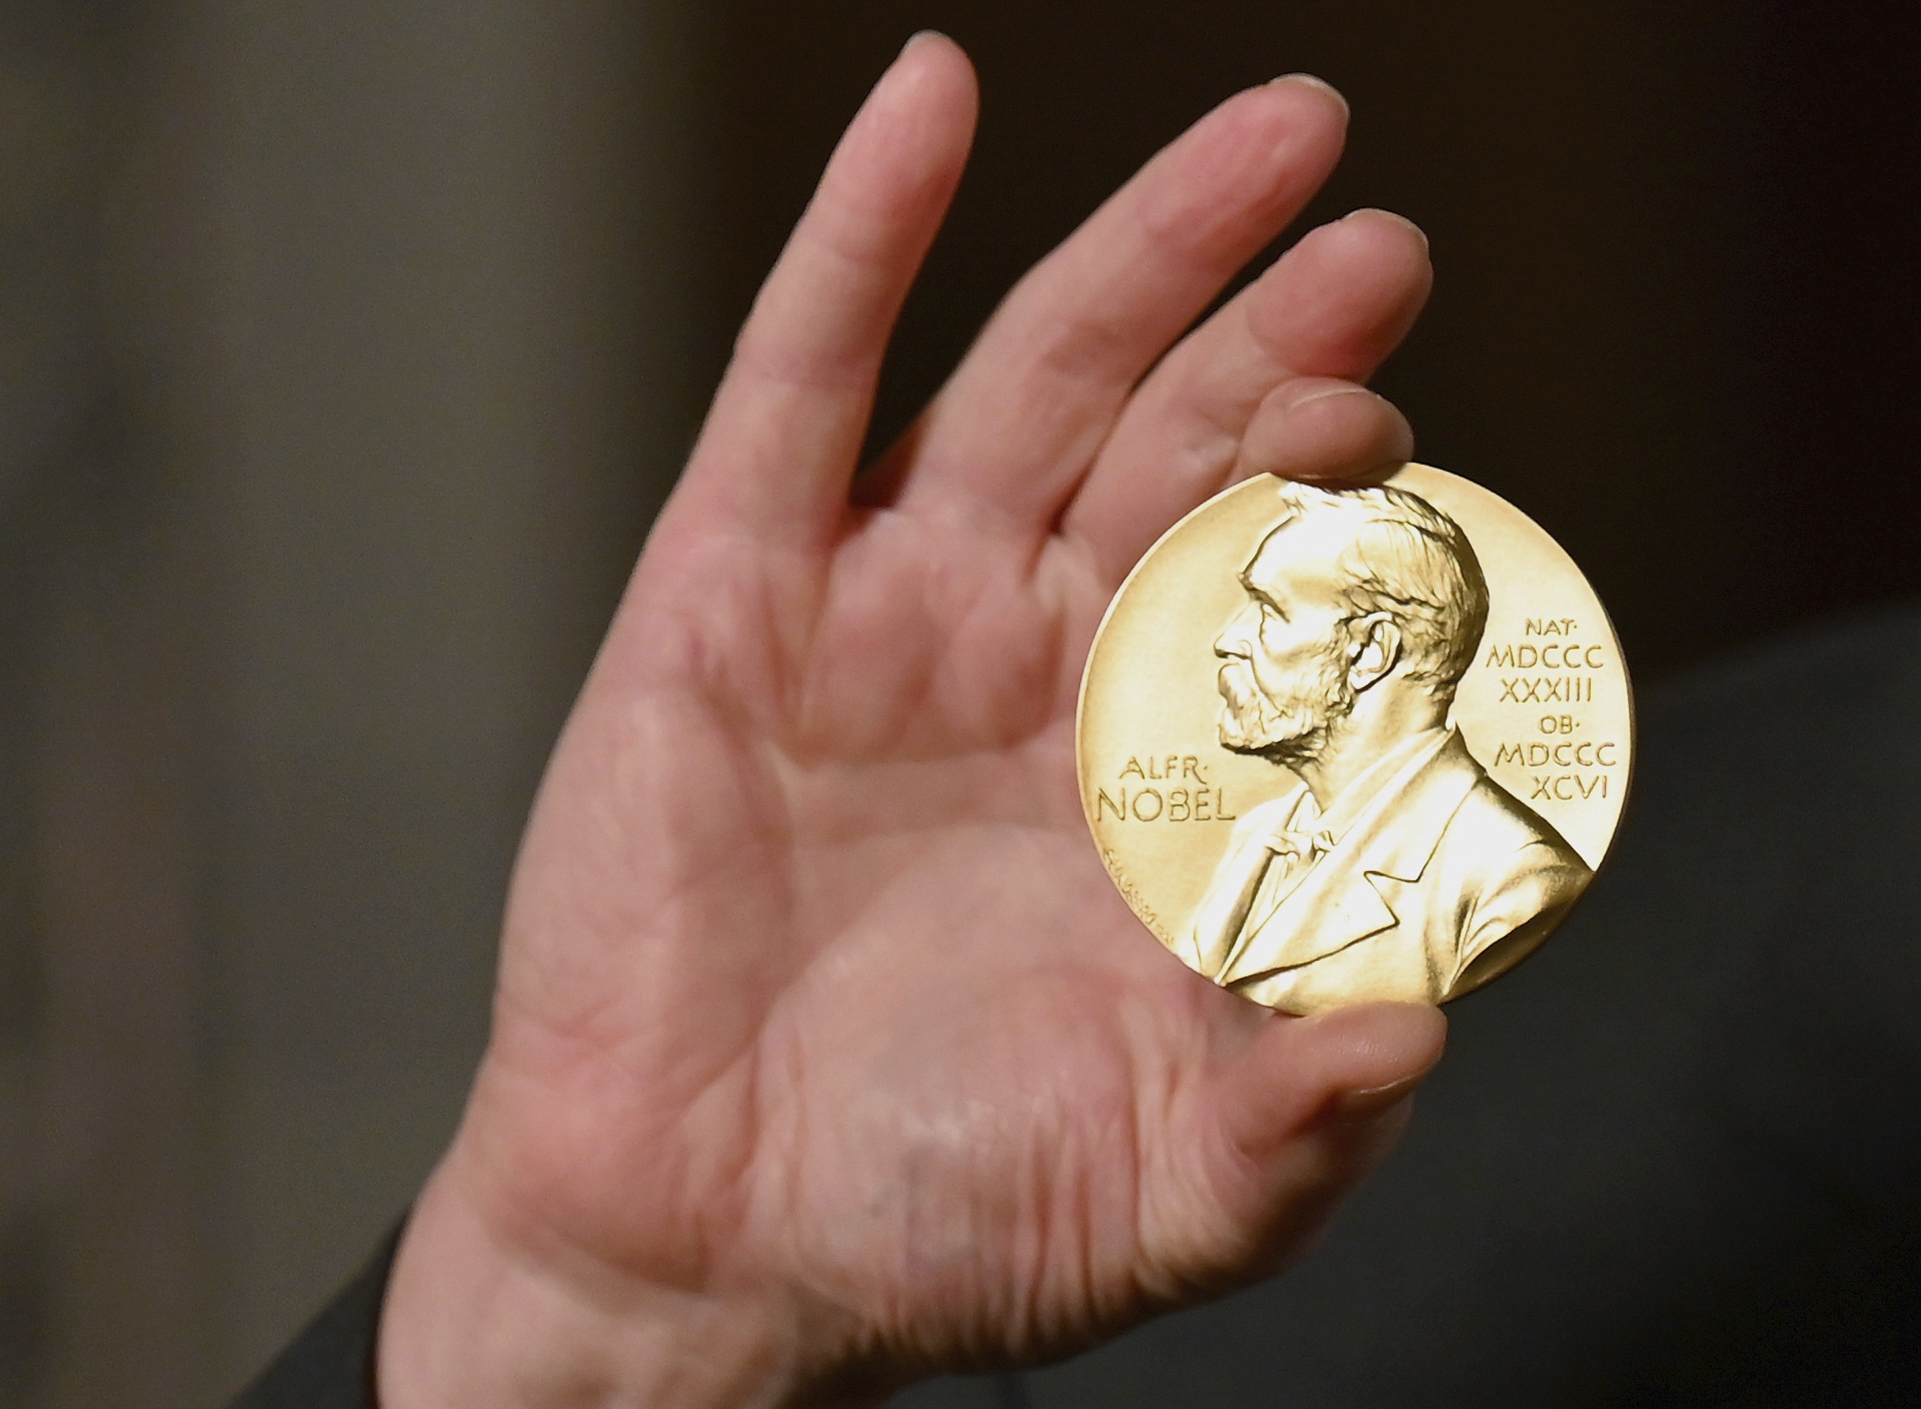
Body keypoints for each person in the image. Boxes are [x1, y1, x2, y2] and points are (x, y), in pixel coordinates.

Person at [1190, 481, 1589, 1009]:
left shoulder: (1515, 881)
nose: (1227, 640)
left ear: (1370, 652)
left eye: (1267, 610)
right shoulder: (1257, 836)